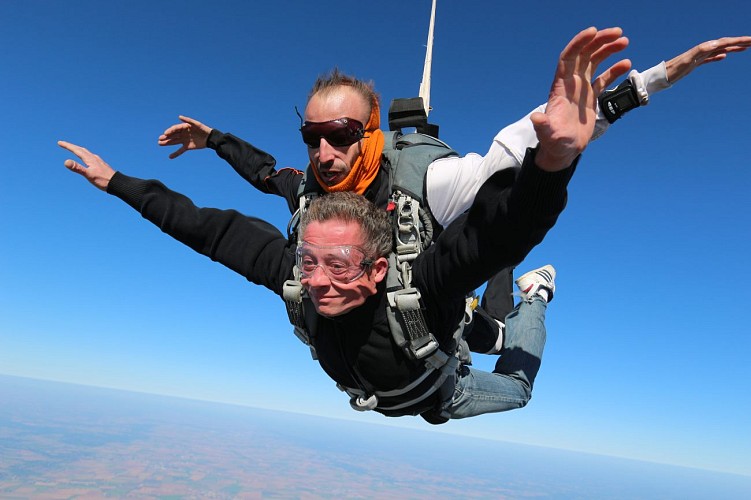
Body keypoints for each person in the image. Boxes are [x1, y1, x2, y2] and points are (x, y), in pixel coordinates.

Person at [60, 26, 630, 422]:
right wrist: (123, 181)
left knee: (514, 386)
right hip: (401, 380)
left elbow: (494, 232)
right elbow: (212, 223)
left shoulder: (419, 255)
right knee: (471, 323)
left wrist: (551, 161)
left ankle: (537, 297)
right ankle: (490, 323)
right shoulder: (303, 226)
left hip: (441, 386)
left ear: (379, 266)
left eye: (340, 264)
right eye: (312, 137)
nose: (321, 280)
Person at [155, 35, 751, 352]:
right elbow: (267, 173)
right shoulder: (315, 184)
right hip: (401, 307)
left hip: (447, 301)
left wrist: (660, 76)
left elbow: (541, 132)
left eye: (337, 136)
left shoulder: (435, 182)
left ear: (370, 134)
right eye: (312, 138)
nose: (322, 154)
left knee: (494, 341)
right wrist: (214, 138)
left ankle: (536, 294)